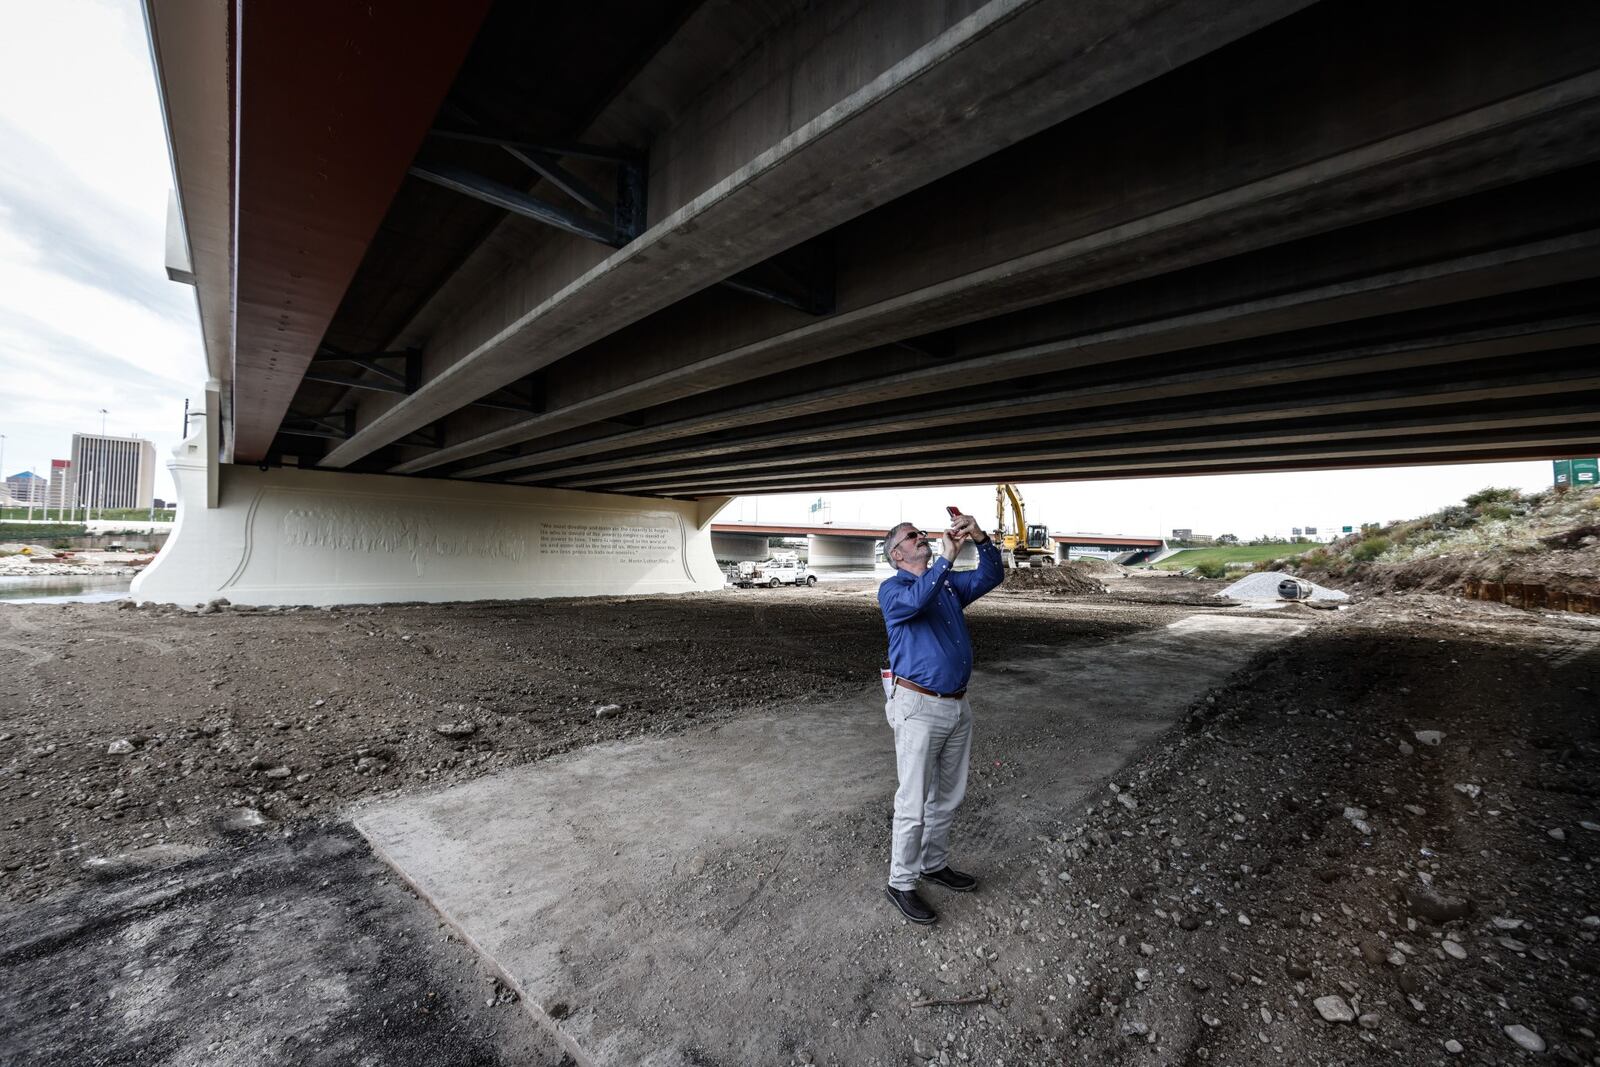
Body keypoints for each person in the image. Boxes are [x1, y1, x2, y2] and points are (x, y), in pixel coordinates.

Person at [878, 513, 1004, 924]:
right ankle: (901, 881)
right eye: (912, 536)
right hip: (917, 707)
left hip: (955, 704)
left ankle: (933, 863)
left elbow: (991, 575)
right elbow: (918, 601)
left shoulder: (945, 584)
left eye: (920, 533)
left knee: (947, 796)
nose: (921, 538)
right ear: (897, 554)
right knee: (913, 799)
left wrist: (979, 537)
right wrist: (947, 560)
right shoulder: (893, 590)